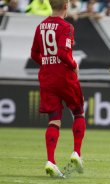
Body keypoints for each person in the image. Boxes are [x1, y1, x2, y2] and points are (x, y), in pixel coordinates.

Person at [30, 0, 86, 178]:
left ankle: (50, 161)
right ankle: (76, 153)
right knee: (78, 113)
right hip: (65, 77)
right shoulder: (66, 27)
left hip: (47, 78)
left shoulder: (40, 27)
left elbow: (34, 54)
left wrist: (47, 63)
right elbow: (63, 53)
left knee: (54, 120)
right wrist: (74, 64)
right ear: (66, 6)